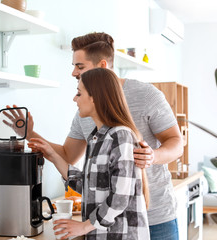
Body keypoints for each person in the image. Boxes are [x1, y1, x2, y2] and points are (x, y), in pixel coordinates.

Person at [6, 32, 183, 240]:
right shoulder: (88, 118)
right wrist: (30, 135)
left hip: (154, 216)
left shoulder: (145, 96)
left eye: (80, 67)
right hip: (105, 224)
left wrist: (153, 156)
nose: (73, 73)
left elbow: (177, 143)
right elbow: (70, 158)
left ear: (102, 67)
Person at [28, 68, 150, 239]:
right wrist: (53, 156)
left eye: (79, 94)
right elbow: (87, 184)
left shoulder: (120, 136)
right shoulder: (97, 137)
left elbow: (120, 198)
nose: (74, 99)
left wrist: (84, 227)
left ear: (94, 98)